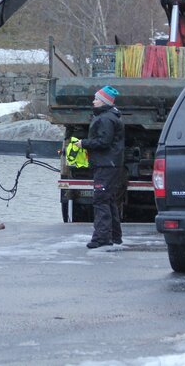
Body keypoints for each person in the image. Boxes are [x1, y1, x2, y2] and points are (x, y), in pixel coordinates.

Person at [74, 85, 125, 249]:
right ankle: (115, 236)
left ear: (103, 102)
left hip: (106, 165)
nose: (93, 101)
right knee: (109, 200)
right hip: (110, 164)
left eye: (96, 99)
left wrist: (84, 143)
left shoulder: (105, 119)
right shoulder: (111, 116)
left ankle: (101, 238)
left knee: (100, 200)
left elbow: (104, 142)